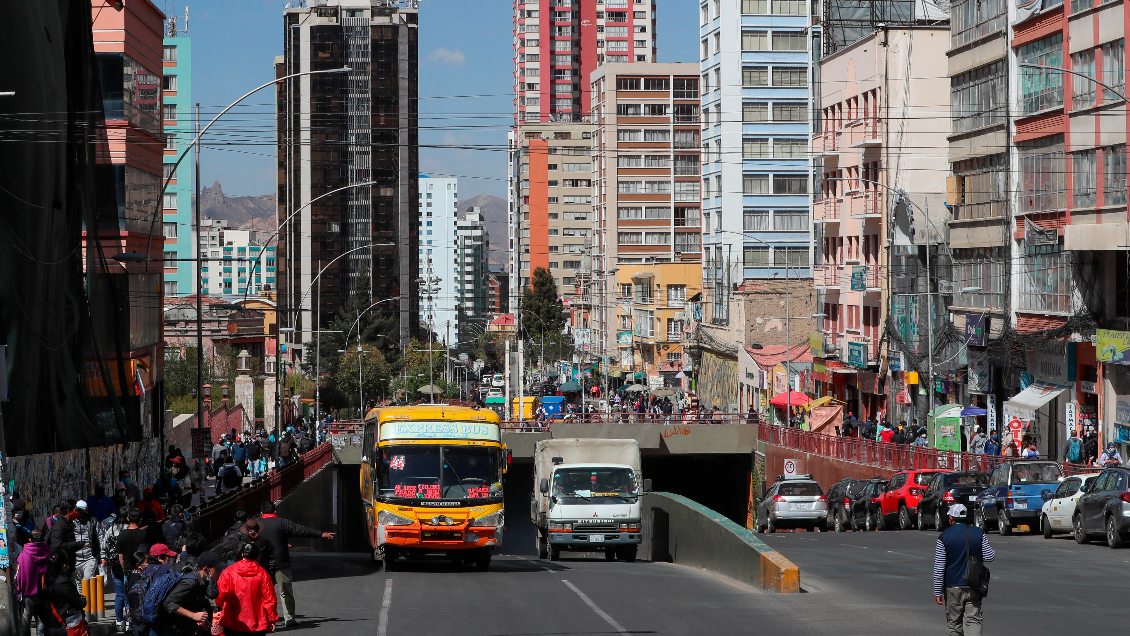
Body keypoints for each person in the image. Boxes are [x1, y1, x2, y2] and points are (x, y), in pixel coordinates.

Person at [256, 501, 335, 628]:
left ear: (261, 513)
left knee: (263, 593)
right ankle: (289, 618)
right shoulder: (282, 523)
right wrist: (321, 534)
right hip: (281, 562)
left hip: (262, 564)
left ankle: (264, 618)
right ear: (275, 511)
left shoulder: (257, 525)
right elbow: (302, 530)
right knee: (285, 591)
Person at [933, 503, 995, 636]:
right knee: (974, 620)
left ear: (951, 517)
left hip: (953, 586)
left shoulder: (944, 536)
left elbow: (939, 567)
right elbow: (990, 556)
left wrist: (938, 591)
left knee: (955, 624)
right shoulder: (978, 533)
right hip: (973, 585)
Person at [214, 542, 278, 636]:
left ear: (242, 554)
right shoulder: (263, 574)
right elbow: (269, 600)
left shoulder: (229, 571)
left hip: (232, 620)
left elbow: (219, 597)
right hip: (257, 622)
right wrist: (272, 619)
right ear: (258, 557)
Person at [154, 551, 221, 636]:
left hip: (184, 626)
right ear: (206, 569)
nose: (219, 572)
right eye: (217, 569)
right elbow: (168, 603)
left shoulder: (201, 582)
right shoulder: (190, 582)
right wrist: (192, 615)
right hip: (172, 629)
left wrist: (201, 619)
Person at [15, 529, 51, 636]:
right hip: (45, 592)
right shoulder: (49, 553)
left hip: (28, 593)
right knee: (42, 619)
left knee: (26, 618)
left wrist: (18, 591)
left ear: (29, 539)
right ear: (43, 539)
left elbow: (19, 576)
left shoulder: (22, 556)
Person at [71, 501, 103, 584]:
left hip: (90, 557)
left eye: (82, 510)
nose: (80, 513)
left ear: (87, 510)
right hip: (76, 559)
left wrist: (102, 556)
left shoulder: (93, 522)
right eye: (78, 510)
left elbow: (100, 538)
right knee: (79, 583)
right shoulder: (71, 523)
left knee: (87, 580)